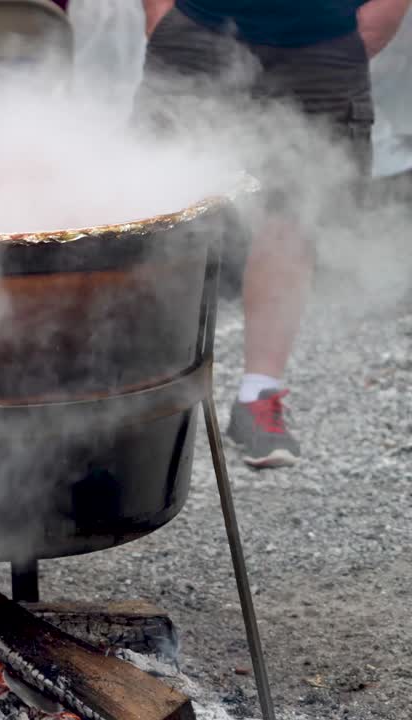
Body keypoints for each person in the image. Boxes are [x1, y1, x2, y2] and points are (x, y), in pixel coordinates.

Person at [136, 0, 411, 468]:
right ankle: (138, 397)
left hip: (324, 44)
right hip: (198, 28)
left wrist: (364, 25)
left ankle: (258, 398)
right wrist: (161, 14)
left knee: (293, 219)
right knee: (159, 219)